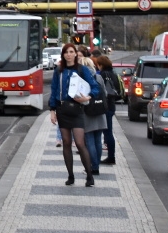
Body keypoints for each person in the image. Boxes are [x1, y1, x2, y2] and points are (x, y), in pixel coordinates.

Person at [48, 44, 100, 187]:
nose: (69, 55)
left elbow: (95, 86)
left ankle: (89, 175)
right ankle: (70, 175)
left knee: (79, 143)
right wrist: (52, 111)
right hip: (62, 109)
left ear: (76, 54)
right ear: (63, 55)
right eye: (66, 52)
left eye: (71, 52)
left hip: (77, 109)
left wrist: (88, 97)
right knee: (66, 142)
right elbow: (54, 91)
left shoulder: (82, 69)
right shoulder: (58, 70)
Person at [78, 47, 104, 176]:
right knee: (98, 139)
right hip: (100, 111)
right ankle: (97, 164)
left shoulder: (81, 79)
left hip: (87, 112)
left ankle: (93, 167)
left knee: (89, 141)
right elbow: (104, 93)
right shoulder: (98, 78)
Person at [97, 54, 124, 165]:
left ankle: (111, 157)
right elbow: (117, 90)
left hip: (104, 106)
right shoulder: (114, 74)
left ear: (101, 65)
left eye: (98, 65)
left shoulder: (103, 75)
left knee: (107, 133)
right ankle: (111, 156)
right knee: (108, 132)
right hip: (111, 106)